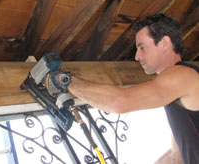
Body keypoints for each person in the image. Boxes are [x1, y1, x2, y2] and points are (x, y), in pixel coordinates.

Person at [49, 14, 199, 164]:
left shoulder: (183, 75)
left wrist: (64, 80)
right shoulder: (176, 87)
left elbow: (120, 102)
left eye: (142, 47)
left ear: (165, 43)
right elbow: (176, 155)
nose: (137, 56)